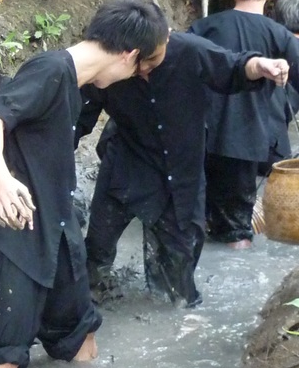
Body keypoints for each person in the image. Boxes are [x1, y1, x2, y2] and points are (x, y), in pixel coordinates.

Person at [0, 0, 171, 368]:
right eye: (141, 67)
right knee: (3, 361)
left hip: (59, 227)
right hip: (20, 230)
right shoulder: (50, 69)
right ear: (129, 55)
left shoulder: (73, 82)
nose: (135, 75)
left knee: (82, 335)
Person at [77, 24, 289, 307]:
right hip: (126, 166)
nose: (145, 70)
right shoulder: (108, 65)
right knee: (97, 252)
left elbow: (235, 67)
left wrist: (260, 65)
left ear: (166, 36)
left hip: (181, 174)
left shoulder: (190, 50)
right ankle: (88, 307)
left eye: (153, 60)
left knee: (179, 275)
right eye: (139, 62)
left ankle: (176, 315)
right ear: (126, 55)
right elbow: (77, 120)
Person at [189, 0, 299, 247]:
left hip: (198, 139)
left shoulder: (202, 28)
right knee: (236, 234)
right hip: (245, 146)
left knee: (191, 222)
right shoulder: (281, 36)